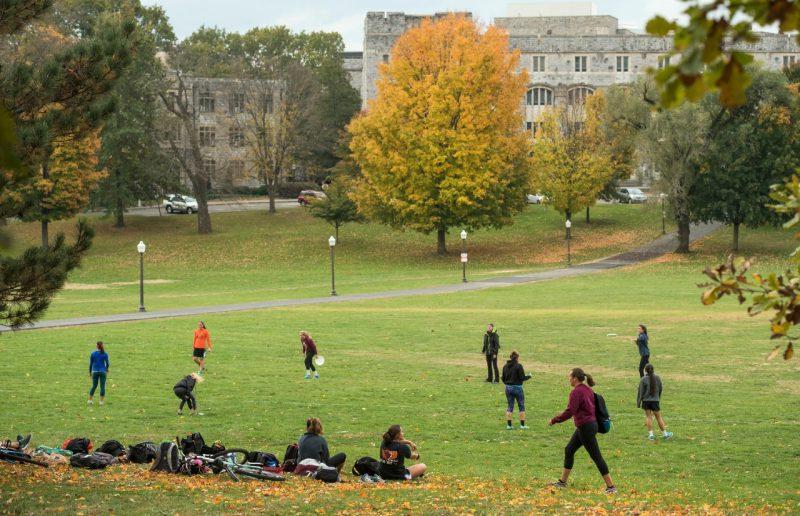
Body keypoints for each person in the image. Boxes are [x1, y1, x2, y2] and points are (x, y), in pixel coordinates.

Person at [549, 368, 616, 494]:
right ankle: (562, 482)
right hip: (589, 426)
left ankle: (611, 487)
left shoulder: (576, 392)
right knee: (569, 449)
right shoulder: (588, 390)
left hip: (586, 427)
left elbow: (570, 411)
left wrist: (555, 420)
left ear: (575, 378)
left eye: (569, 376)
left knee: (596, 456)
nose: (568, 379)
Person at [638, 364, 673, 441]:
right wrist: (658, 398)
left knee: (648, 417)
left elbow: (640, 392)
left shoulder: (643, 379)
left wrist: (639, 402)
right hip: (655, 401)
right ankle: (665, 434)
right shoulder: (658, 378)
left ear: (645, 370)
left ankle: (651, 435)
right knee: (659, 417)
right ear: (653, 369)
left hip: (646, 402)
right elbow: (660, 389)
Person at [502, 351, 532, 430]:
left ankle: (509, 425)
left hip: (508, 388)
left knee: (510, 406)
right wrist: (529, 376)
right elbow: (522, 378)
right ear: (517, 358)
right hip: (517, 388)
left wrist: (508, 383)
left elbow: (503, 378)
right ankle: (522, 425)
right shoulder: (519, 366)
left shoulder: (505, 366)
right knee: (521, 405)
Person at [88, 341, 110, 405]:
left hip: (95, 371)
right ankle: (101, 401)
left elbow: (91, 364)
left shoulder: (93, 354)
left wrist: (90, 372)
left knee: (94, 386)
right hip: (103, 371)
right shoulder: (105, 354)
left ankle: (90, 400)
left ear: (96, 346)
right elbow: (107, 363)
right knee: (102, 386)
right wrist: (106, 369)